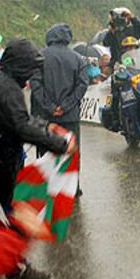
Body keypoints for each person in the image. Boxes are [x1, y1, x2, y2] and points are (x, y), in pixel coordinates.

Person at [0, 38, 76, 279]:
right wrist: (58, 144)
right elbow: (21, 126)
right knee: (6, 226)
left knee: (3, 224)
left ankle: (17, 270)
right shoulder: (6, 88)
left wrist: (46, 127)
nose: (30, 77)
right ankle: (18, 271)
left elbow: (20, 119)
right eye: (29, 70)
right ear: (19, 66)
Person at [30, 23, 88, 197]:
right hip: (70, 116)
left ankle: (47, 186)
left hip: (44, 116)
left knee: (45, 150)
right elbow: (82, 84)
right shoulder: (78, 59)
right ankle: (73, 189)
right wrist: (66, 106)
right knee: (71, 151)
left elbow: (35, 84)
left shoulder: (39, 56)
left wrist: (49, 107)